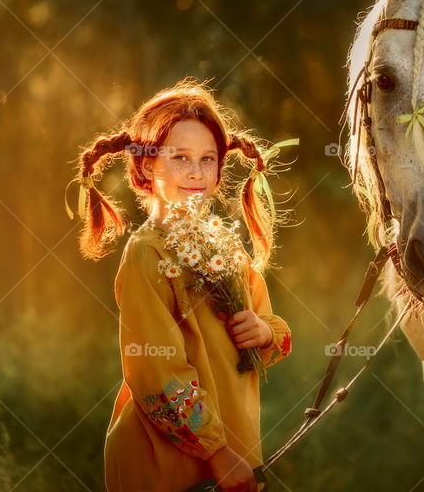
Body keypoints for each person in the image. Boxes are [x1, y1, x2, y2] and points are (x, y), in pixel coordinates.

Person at [67, 79, 292, 492]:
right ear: (148, 166)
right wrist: (216, 451)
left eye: (208, 159)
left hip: (234, 443)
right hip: (170, 459)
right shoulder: (146, 255)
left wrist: (262, 332)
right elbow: (156, 370)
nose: (195, 172)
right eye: (180, 157)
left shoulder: (224, 246)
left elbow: (269, 327)